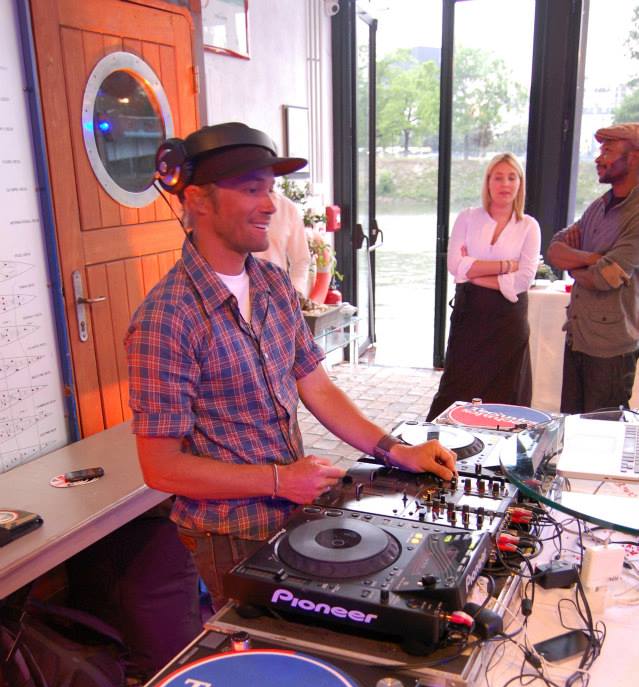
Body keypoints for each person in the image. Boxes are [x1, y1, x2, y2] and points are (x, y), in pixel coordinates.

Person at [126, 122, 457, 609]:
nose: (271, 205)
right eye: (252, 189)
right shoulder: (166, 318)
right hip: (229, 536)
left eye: (272, 190)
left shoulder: (273, 284)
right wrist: (280, 480)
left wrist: (396, 451)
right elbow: (161, 468)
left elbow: (317, 386)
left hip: (293, 511)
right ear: (197, 200)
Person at [427, 152, 541, 421]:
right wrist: (506, 266)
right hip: (470, 316)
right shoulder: (468, 218)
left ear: (520, 183)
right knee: (455, 389)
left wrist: (474, 272)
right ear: (488, 182)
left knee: (506, 396)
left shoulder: (529, 226)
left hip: (508, 322)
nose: (505, 184)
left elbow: (524, 279)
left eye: (512, 177)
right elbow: (455, 265)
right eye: (498, 177)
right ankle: (437, 442)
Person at [546, 122, 639, 413]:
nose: (599, 159)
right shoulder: (598, 206)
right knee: (572, 425)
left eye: (608, 151)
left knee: (603, 431)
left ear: (634, 158)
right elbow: (555, 250)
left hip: (611, 350)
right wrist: (591, 258)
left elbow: (606, 277)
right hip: (578, 338)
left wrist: (576, 266)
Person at [255, 188, 311, 296]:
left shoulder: (287, 208)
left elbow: (301, 259)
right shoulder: (231, 204)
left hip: (275, 295)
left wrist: (294, 293)